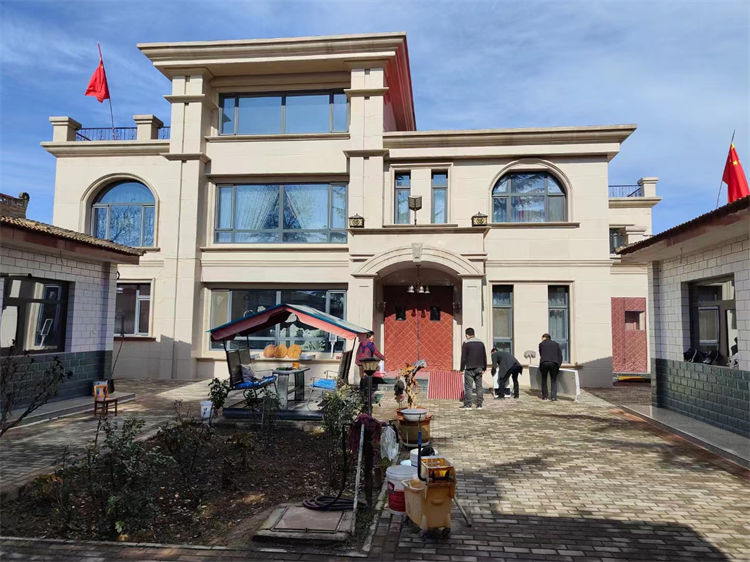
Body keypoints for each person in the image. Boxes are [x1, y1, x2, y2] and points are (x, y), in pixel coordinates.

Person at [460, 327, 487, 410]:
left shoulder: (466, 343)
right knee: (479, 387)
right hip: (479, 368)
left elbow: (463, 358)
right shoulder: (481, 343)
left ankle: (468, 405)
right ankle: (479, 405)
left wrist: (461, 369)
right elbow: (484, 356)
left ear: (467, 335)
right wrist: (484, 368)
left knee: (468, 387)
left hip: (469, 368)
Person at [356, 331, 385, 396]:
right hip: (367, 363)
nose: (373, 338)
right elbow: (376, 352)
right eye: (372, 336)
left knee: (362, 377)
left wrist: (357, 362)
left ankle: (362, 391)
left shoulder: (362, 343)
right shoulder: (370, 344)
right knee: (367, 376)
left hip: (360, 362)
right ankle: (367, 392)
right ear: (370, 336)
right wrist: (383, 358)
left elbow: (358, 353)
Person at [538, 333, 563, 401]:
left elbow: (541, 354)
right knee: (553, 380)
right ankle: (553, 397)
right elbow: (560, 355)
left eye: (542, 338)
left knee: (544, 380)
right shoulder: (556, 344)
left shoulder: (541, 344)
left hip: (544, 363)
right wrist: (558, 365)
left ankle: (544, 396)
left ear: (544, 337)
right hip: (554, 363)